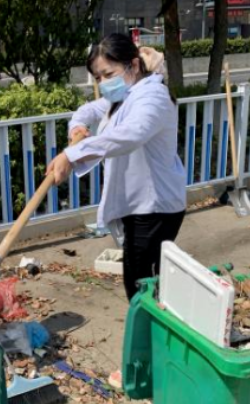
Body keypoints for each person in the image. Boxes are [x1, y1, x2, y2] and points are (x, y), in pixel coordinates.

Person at [47, 34, 186, 301]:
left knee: (144, 287)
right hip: (137, 205)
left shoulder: (153, 96)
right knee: (138, 283)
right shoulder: (125, 96)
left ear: (133, 65)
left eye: (108, 74)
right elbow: (88, 111)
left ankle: (152, 328)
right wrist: (77, 127)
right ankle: (147, 326)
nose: (103, 83)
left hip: (156, 207)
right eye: (98, 77)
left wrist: (72, 154)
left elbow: (130, 135)